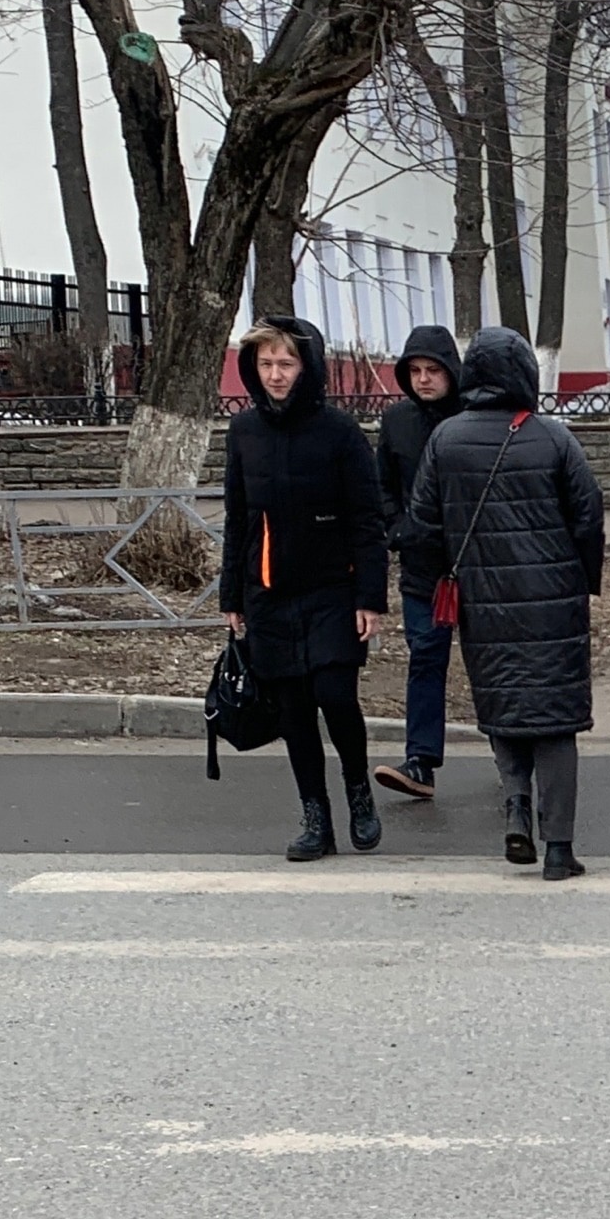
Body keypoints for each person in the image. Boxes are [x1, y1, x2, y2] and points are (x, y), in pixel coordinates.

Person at [404, 324, 606, 881]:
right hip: (553, 602)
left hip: (482, 600)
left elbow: (420, 525)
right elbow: (589, 515)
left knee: (504, 708)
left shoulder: (445, 440)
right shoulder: (554, 437)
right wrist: (585, 580)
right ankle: (560, 849)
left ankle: (516, 810)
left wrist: (445, 577)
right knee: (554, 720)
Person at [218, 316, 388, 862]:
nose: (275, 375)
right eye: (266, 364)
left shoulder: (339, 432)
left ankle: (358, 794)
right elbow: (238, 516)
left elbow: (367, 517)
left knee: (336, 698)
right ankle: (316, 818)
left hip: (332, 590)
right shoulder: (245, 433)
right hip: (269, 593)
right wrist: (233, 597)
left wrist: (370, 596)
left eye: (286, 364)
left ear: (306, 366)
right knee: (293, 713)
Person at [373, 324, 464, 800]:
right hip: (421, 566)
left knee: (492, 662)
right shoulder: (397, 422)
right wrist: (396, 529)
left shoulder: (475, 418)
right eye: (415, 371)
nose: (425, 379)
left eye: (433, 370)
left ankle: (517, 753)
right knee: (425, 658)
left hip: (477, 564)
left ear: (452, 371)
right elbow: (382, 485)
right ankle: (420, 761)